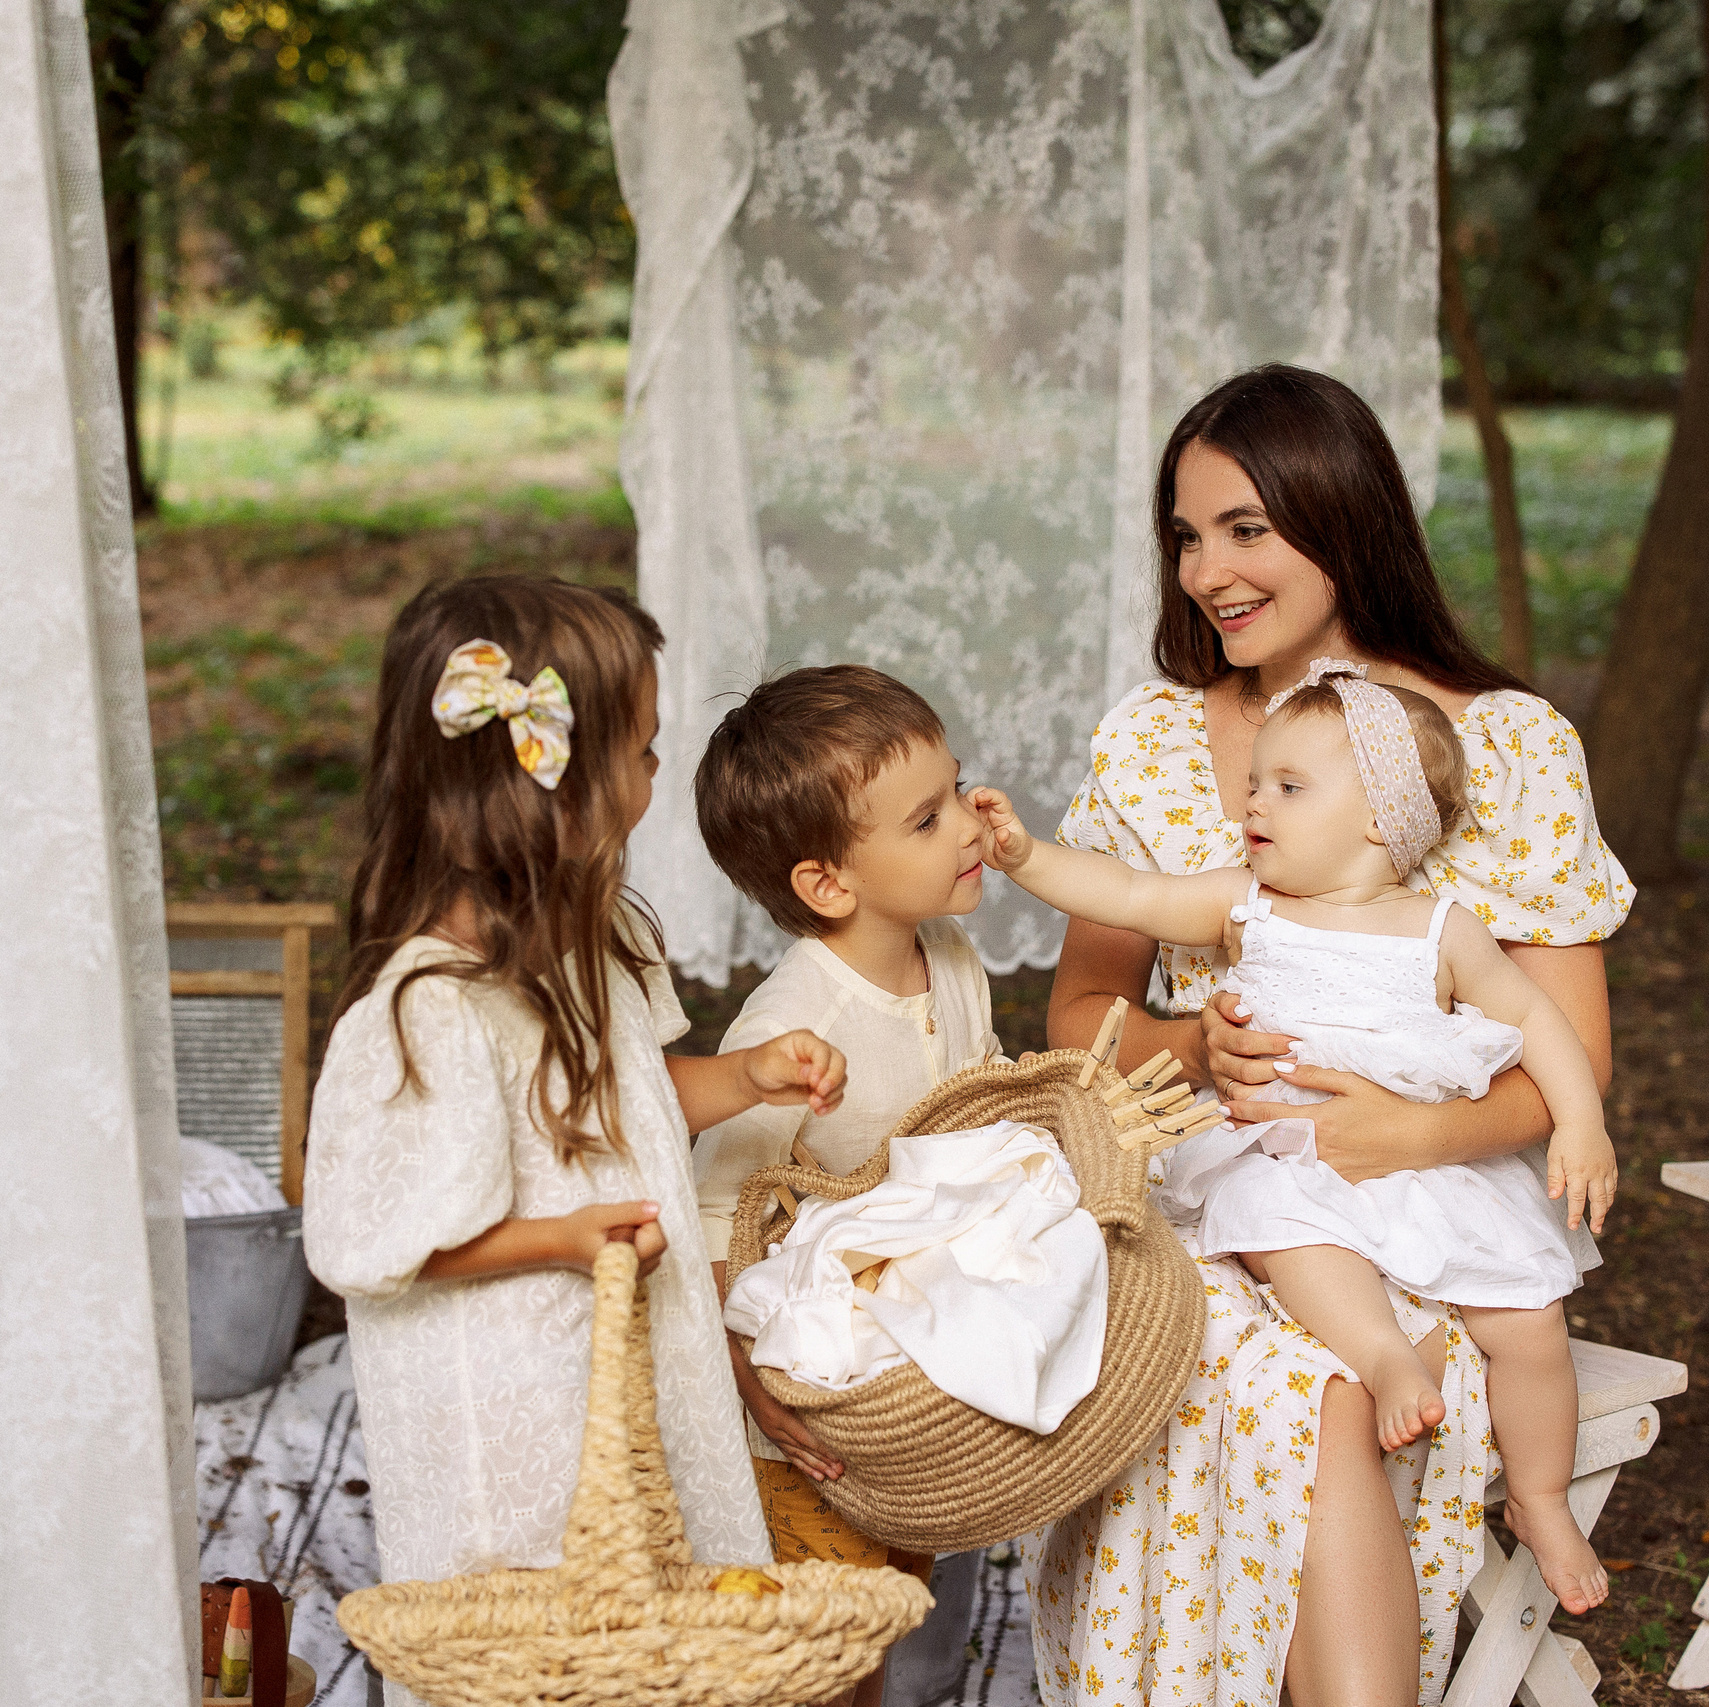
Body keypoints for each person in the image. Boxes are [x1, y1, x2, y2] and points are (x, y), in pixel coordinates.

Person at [1032, 365, 1633, 1707]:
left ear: (1341, 514)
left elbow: (1568, 1059)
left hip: (1439, 1207)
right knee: (1287, 1376)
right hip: (1230, 1195)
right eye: (1185, 536)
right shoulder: (1150, 745)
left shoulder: (1509, 748)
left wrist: (1413, 1131)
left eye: (1247, 527)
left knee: (1342, 1372)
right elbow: (1077, 1021)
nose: (1207, 571)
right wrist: (1198, 1047)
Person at [301, 577, 850, 1707]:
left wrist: (743, 1078)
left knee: (656, 1644)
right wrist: (557, 1238)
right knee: (541, 1653)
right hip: (516, 1414)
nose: (656, 781)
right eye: (643, 754)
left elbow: (635, 1105)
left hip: (630, 1367)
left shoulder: (590, 948)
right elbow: (366, 1246)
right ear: (552, 778)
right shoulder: (425, 1015)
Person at [973, 658, 1617, 1615]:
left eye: (1287, 787)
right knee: (1283, 1227)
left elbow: (1539, 1021)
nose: (1252, 806)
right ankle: (1381, 1352)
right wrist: (1026, 856)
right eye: (1252, 784)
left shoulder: (1443, 928)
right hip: (1290, 1157)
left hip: (1425, 1168)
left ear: (1379, 815)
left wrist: (1583, 1124)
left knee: (1531, 1321)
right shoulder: (1248, 904)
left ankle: (1540, 1496)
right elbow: (1128, 895)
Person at [688, 664, 1001, 1707]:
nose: (965, 825)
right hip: (811, 1414)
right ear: (828, 884)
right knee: (825, 1651)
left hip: (905, 1394)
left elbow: (981, 1109)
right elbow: (713, 1216)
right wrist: (751, 1388)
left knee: (894, 1610)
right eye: (926, 819)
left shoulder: (949, 958)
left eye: (956, 790)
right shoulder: (793, 1027)